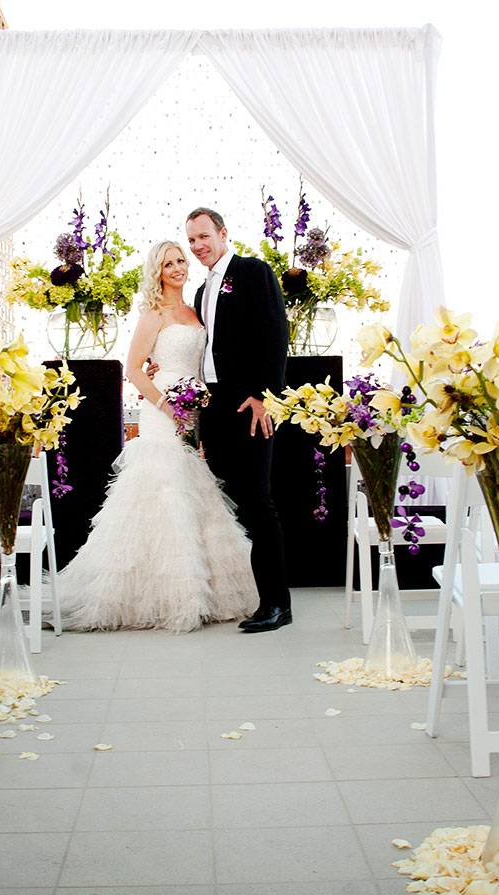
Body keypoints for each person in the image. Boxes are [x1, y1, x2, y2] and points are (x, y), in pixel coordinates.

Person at [56, 240, 259, 634]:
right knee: (162, 491)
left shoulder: (196, 308)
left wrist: (194, 404)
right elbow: (133, 369)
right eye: (169, 264)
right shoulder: (155, 313)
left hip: (196, 408)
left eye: (181, 260)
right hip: (163, 411)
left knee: (192, 490)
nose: (178, 267)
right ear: (158, 271)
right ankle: (156, 595)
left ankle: (206, 592)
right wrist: (169, 406)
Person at [186, 206, 292, 632]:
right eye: (191, 240)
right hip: (215, 406)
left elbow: (275, 334)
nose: (197, 247)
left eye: (203, 237)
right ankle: (253, 595)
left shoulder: (252, 271)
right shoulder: (199, 292)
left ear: (223, 233)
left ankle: (277, 605)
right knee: (235, 503)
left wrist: (265, 397)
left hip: (251, 404)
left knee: (258, 502)